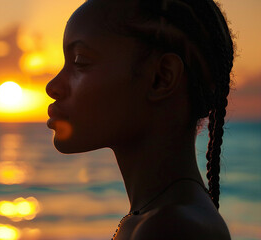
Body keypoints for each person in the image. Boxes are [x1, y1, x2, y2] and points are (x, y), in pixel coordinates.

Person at [46, 0, 234, 239]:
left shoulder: (172, 228)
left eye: (80, 61)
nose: (53, 87)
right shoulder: (157, 217)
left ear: (161, 77)